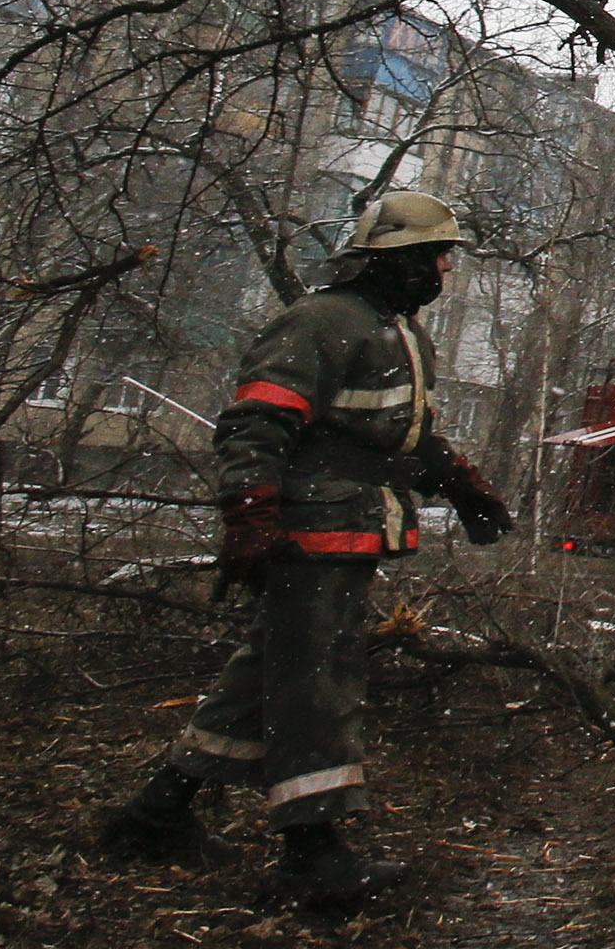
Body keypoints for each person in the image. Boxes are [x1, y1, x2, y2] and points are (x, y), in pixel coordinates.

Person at [96, 189, 512, 908]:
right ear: (394, 259)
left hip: (351, 532)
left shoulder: (402, 337)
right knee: (317, 687)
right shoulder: (321, 322)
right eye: (434, 254)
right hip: (308, 537)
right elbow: (255, 425)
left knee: (264, 674)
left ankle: (155, 814)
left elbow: (393, 438)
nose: (444, 268)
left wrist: (461, 484)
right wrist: (250, 517)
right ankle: (311, 853)